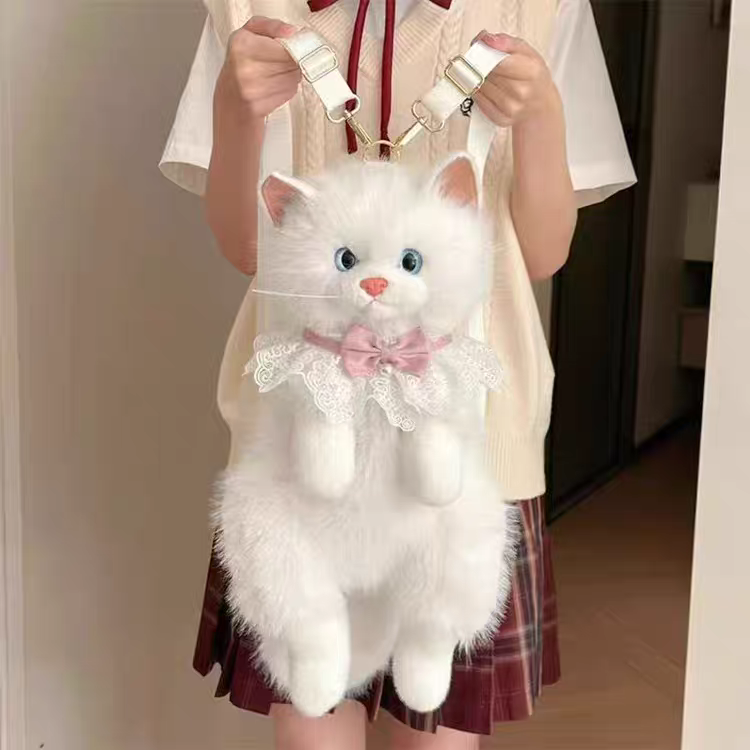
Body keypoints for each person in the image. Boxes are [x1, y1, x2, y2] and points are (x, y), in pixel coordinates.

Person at [160, 1, 636, 748]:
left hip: (471, 438)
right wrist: (235, 111)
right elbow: (246, 247)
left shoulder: (542, 7)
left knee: (435, 716)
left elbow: (544, 253)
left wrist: (541, 113)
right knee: (309, 706)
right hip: (299, 439)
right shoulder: (246, 9)